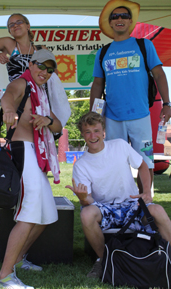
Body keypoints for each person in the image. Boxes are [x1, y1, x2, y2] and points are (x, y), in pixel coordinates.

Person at [66, 111, 171, 279]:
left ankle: (168, 255)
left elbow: (143, 166)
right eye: (88, 132)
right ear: (82, 135)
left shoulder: (119, 145)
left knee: (157, 210)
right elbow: (89, 202)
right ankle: (104, 260)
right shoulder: (81, 165)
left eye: (96, 131)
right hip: (106, 209)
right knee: (86, 214)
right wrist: (83, 197)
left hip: (132, 205)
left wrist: (145, 191)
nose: (93, 136)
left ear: (104, 132)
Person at [0, 49, 62, 289]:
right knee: (29, 214)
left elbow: (58, 124)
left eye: (50, 69)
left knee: (46, 214)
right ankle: (3, 277)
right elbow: (8, 96)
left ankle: (19, 260)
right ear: (31, 64)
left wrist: (47, 121)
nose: (45, 72)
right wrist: (9, 110)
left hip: (37, 156)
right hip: (24, 151)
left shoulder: (41, 92)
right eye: (42, 66)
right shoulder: (22, 83)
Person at [90, 0, 171, 193]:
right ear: (110, 23)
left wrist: (167, 104)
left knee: (145, 163)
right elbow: (98, 84)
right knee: (115, 164)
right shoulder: (103, 52)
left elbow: (159, 74)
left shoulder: (145, 45)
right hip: (112, 117)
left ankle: (144, 206)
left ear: (130, 21)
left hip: (141, 116)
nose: (119, 19)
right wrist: (94, 114)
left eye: (124, 16)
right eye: (115, 17)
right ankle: (121, 204)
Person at [0, 13, 46, 83]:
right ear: (10, 32)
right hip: (17, 92)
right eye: (11, 25)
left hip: (40, 92)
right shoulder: (9, 43)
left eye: (19, 22)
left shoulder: (41, 49)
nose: (15, 25)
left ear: (28, 26)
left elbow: (53, 73)